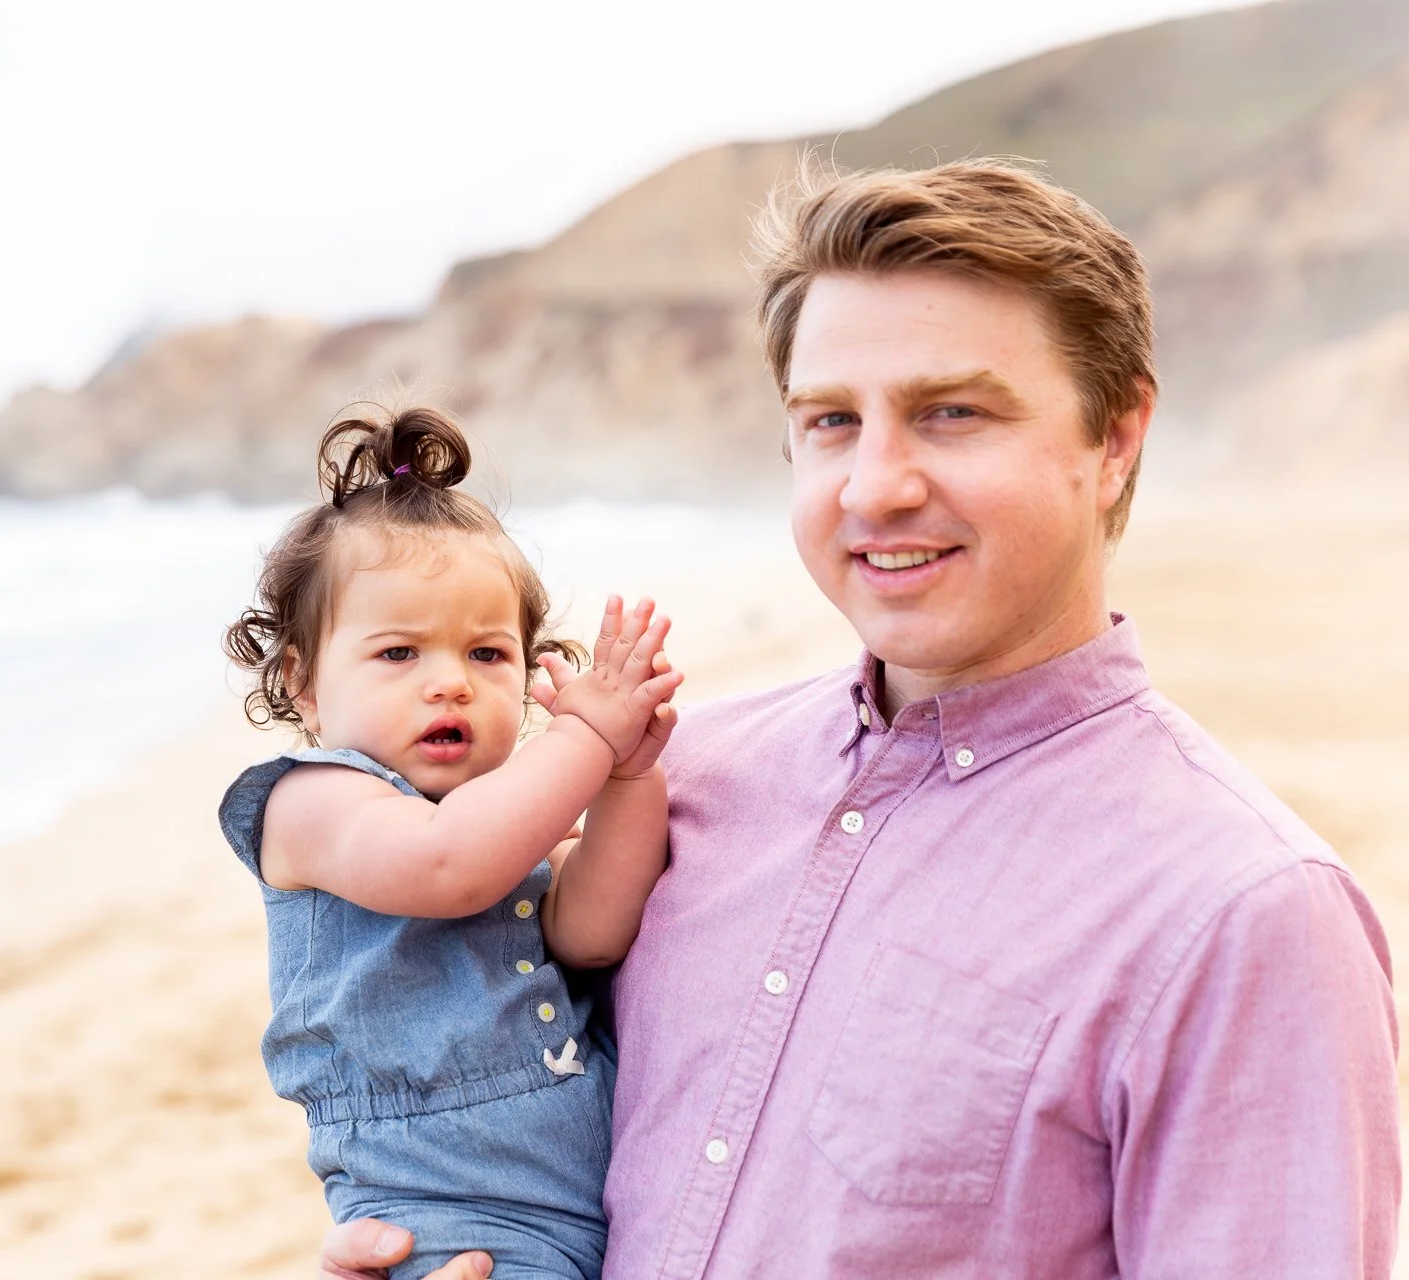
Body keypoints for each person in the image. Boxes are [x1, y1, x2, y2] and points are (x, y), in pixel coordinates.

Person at [322, 159, 1401, 1278]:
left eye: (954, 412)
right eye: (832, 420)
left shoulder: (1246, 913)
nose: (876, 486)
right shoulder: (676, 786)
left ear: (1115, 438)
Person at [220, 405, 685, 1279]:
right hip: (447, 1216)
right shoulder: (311, 802)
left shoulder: (503, 814)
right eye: (400, 654)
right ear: (304, 684)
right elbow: (448, 865)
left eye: (487, 654)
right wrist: (586, 739)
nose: (450, 684)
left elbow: (593, 932)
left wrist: (628, 779)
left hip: (597, 1200)